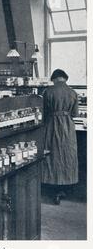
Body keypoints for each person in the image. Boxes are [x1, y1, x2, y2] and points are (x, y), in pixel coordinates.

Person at [42, 69, 79, 205]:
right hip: (67, 127)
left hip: (51, 125)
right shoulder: (73, 92)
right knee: (66, 156)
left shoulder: (47, 92)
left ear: (55, 78)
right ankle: (62, 189)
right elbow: (75, 114)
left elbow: (43, 112)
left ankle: (52, 188)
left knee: (52, 156)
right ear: (64, 78)